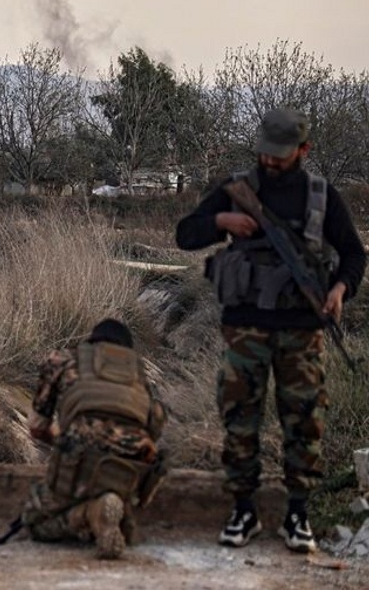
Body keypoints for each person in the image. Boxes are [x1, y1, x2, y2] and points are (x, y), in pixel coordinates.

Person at [175, 107, 366, 553]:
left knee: (304, 420)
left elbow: (355, 255)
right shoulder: (236, 189)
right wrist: (220, 222)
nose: (270, 161)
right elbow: (185, 234)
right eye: (266, 152)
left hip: (302, 331)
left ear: (304, 150)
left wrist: (341, 289)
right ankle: (243, 509)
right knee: (240, 419)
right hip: (245, 330)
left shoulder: (321, 196)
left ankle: (297, 514)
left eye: (281, 154)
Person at [21, 319, 166, 560]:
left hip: (77, 459)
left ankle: (89, 513)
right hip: (126, 468)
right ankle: (119, 513)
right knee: (116, 480)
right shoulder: (140, 374)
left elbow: (37, 428)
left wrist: (60, 440)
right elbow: (155, 427)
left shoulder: (63, 360)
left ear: (92, 341)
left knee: (35, 522)